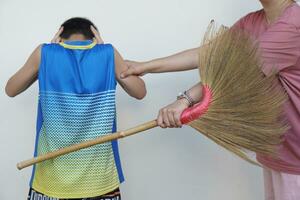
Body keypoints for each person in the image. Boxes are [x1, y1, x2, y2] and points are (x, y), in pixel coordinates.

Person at [121, 0, 300, 199]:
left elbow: (236, 71)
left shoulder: (293, 24)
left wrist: (185, 100)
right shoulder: (254, 20)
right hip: (277, 151)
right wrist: (145, 66)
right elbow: (211, 52)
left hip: (296, 157)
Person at [5, 17, 146, 200]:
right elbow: (140, 91)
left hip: (51, 181)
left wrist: (48, 57)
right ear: (94, 36)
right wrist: (103, 54)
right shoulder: (108, 54)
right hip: (100, 181)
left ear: (60, 36)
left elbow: (11, 89)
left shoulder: (44, 54)